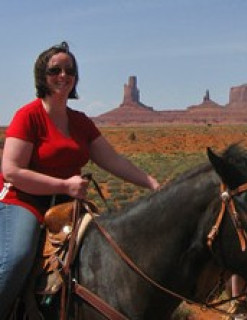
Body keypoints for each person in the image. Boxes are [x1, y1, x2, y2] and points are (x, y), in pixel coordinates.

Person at [0, 41, 160, 319]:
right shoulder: (28, 116)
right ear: (42, 75)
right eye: (55, 70)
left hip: (67, 205)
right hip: (24, 201)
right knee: (17, 258)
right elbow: (12, 170)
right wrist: (64, 185)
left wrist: (153, 184)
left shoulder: (80, 121)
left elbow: (113, 161)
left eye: (69, 70)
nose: (63, 75)